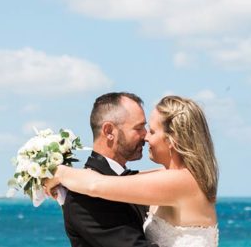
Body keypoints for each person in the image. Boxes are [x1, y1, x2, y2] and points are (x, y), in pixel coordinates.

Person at [46, 95, 219, 247]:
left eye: (151, 130)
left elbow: (96, 185)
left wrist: (60, 173)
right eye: (141, 129)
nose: (146, 137)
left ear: (172, 140)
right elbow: (122, 180)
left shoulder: (181, 182)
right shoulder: (173, 179)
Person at [57, 91, 158, 247]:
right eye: (139, 128)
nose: (145, 136)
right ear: (109, 131)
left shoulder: (125, 178)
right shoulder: (84, 198)